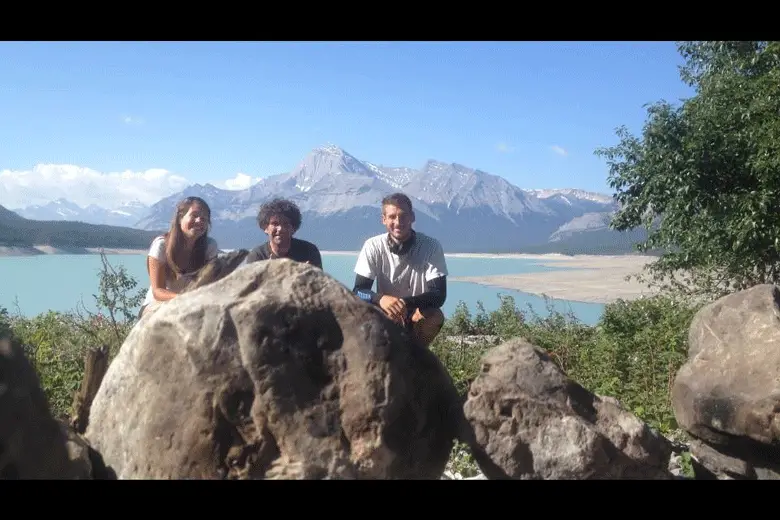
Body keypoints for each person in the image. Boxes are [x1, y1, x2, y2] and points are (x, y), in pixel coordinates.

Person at [352, 192, 448, 348]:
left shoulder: (431, 246)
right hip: (386, 312)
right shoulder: (372, 246)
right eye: (392, 217)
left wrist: (404, 303)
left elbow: (439, 295)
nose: (398, 222)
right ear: (383, 220)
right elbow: (358, 291)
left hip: (417, 313)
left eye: (403, 216)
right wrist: (380, 299)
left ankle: (416, 354)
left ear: (412, 217)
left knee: (435, 316)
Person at [137, 196, 219, 318]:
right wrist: (184, 299)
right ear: (180, 218)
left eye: (204, 218)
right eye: (194, 215)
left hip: (194, 304)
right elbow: (158, 291)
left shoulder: (210, 247)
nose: (199, 221)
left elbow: (211, 285)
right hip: (158, 304)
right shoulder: (161, 245)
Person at [244, 198, 323, 268]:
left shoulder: (309, 251)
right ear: (265, 227)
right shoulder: (257, 256)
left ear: (293, 228)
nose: (280, 229)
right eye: (275, 224)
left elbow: (320, 282)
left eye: (286, 224)